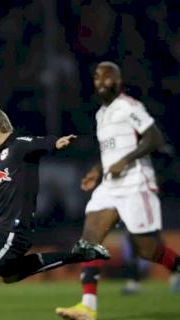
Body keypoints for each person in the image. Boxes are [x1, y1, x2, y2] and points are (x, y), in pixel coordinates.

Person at [0, 101, 110, 320]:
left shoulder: (18, 146)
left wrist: (56, 143)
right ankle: (80, 254)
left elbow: (37, 143)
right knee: (10, 275)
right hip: (5, 233)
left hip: (10, 234)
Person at [55, 61, 180, 320]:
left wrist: (127, 159)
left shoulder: (130, 106)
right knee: (89, 239)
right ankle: (87, 307)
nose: (102, 80)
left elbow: (154, 137)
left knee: (148, 250)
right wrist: (96, 170)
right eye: (98, 76)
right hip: (110, 187)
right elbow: (109, 152)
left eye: (108, 76)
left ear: (119, 82)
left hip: (136, 183)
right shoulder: (101, 115)